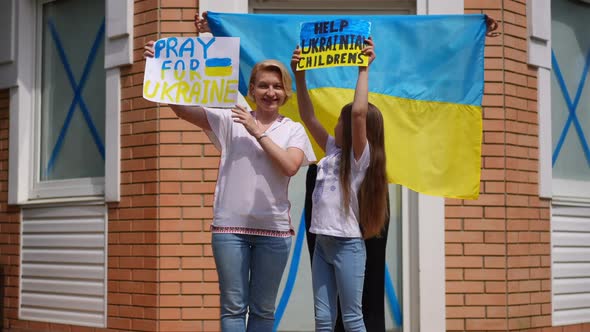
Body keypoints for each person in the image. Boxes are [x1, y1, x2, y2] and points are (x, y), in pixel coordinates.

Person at [144, 34, 316, 331]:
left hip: (273, 232)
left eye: (277, 86)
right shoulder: (228, 119)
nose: (270, 92)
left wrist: (257, 132)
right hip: (229, 230)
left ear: (286, 93)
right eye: (263, 85)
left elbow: (290, 166)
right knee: (233, 308)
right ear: (251, 90)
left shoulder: (293, 130)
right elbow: (182, 110)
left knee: (263, 310)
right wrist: (160, 68)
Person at [291, 38, 389, 331]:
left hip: (348, 246)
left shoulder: (361, 159)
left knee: (352, 318)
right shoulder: (333, 151)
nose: (335, 123)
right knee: (323, 319)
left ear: (356, 129)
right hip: (322, 242)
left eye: (340, 120)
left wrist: (363, 69)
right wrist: (299, 75)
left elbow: (359, 113)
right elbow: (308, 116)